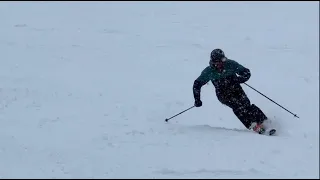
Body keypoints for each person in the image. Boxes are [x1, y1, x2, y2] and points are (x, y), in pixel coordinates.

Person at [192, 48, 269, 134]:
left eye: (221, 61)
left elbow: (246, 72)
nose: (219, 64)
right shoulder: (209, 71)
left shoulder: (230, 64)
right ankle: (254, 125)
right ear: (212, 62)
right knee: (237, 107)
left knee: (246, 105)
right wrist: (197, 99)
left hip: (236, 89)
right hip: (223, 94)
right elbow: (197, 84)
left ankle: (265, 122)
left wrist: (241, 78)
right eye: (216, 62)